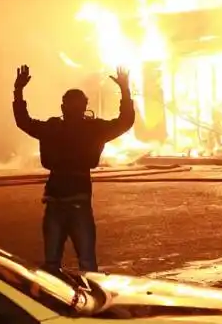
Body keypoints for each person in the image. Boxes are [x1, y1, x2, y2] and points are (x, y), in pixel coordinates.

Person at [12, 65, 135, 273]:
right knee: (87, 265)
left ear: (63, 107)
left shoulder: (54, 128)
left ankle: (51, 304)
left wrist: (18, 92)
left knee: (53, 266)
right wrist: (125, 91)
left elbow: (24, 121)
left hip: (58, 202)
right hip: (75, 202)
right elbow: (125, 122)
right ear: (84, 106)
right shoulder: (92, 129)